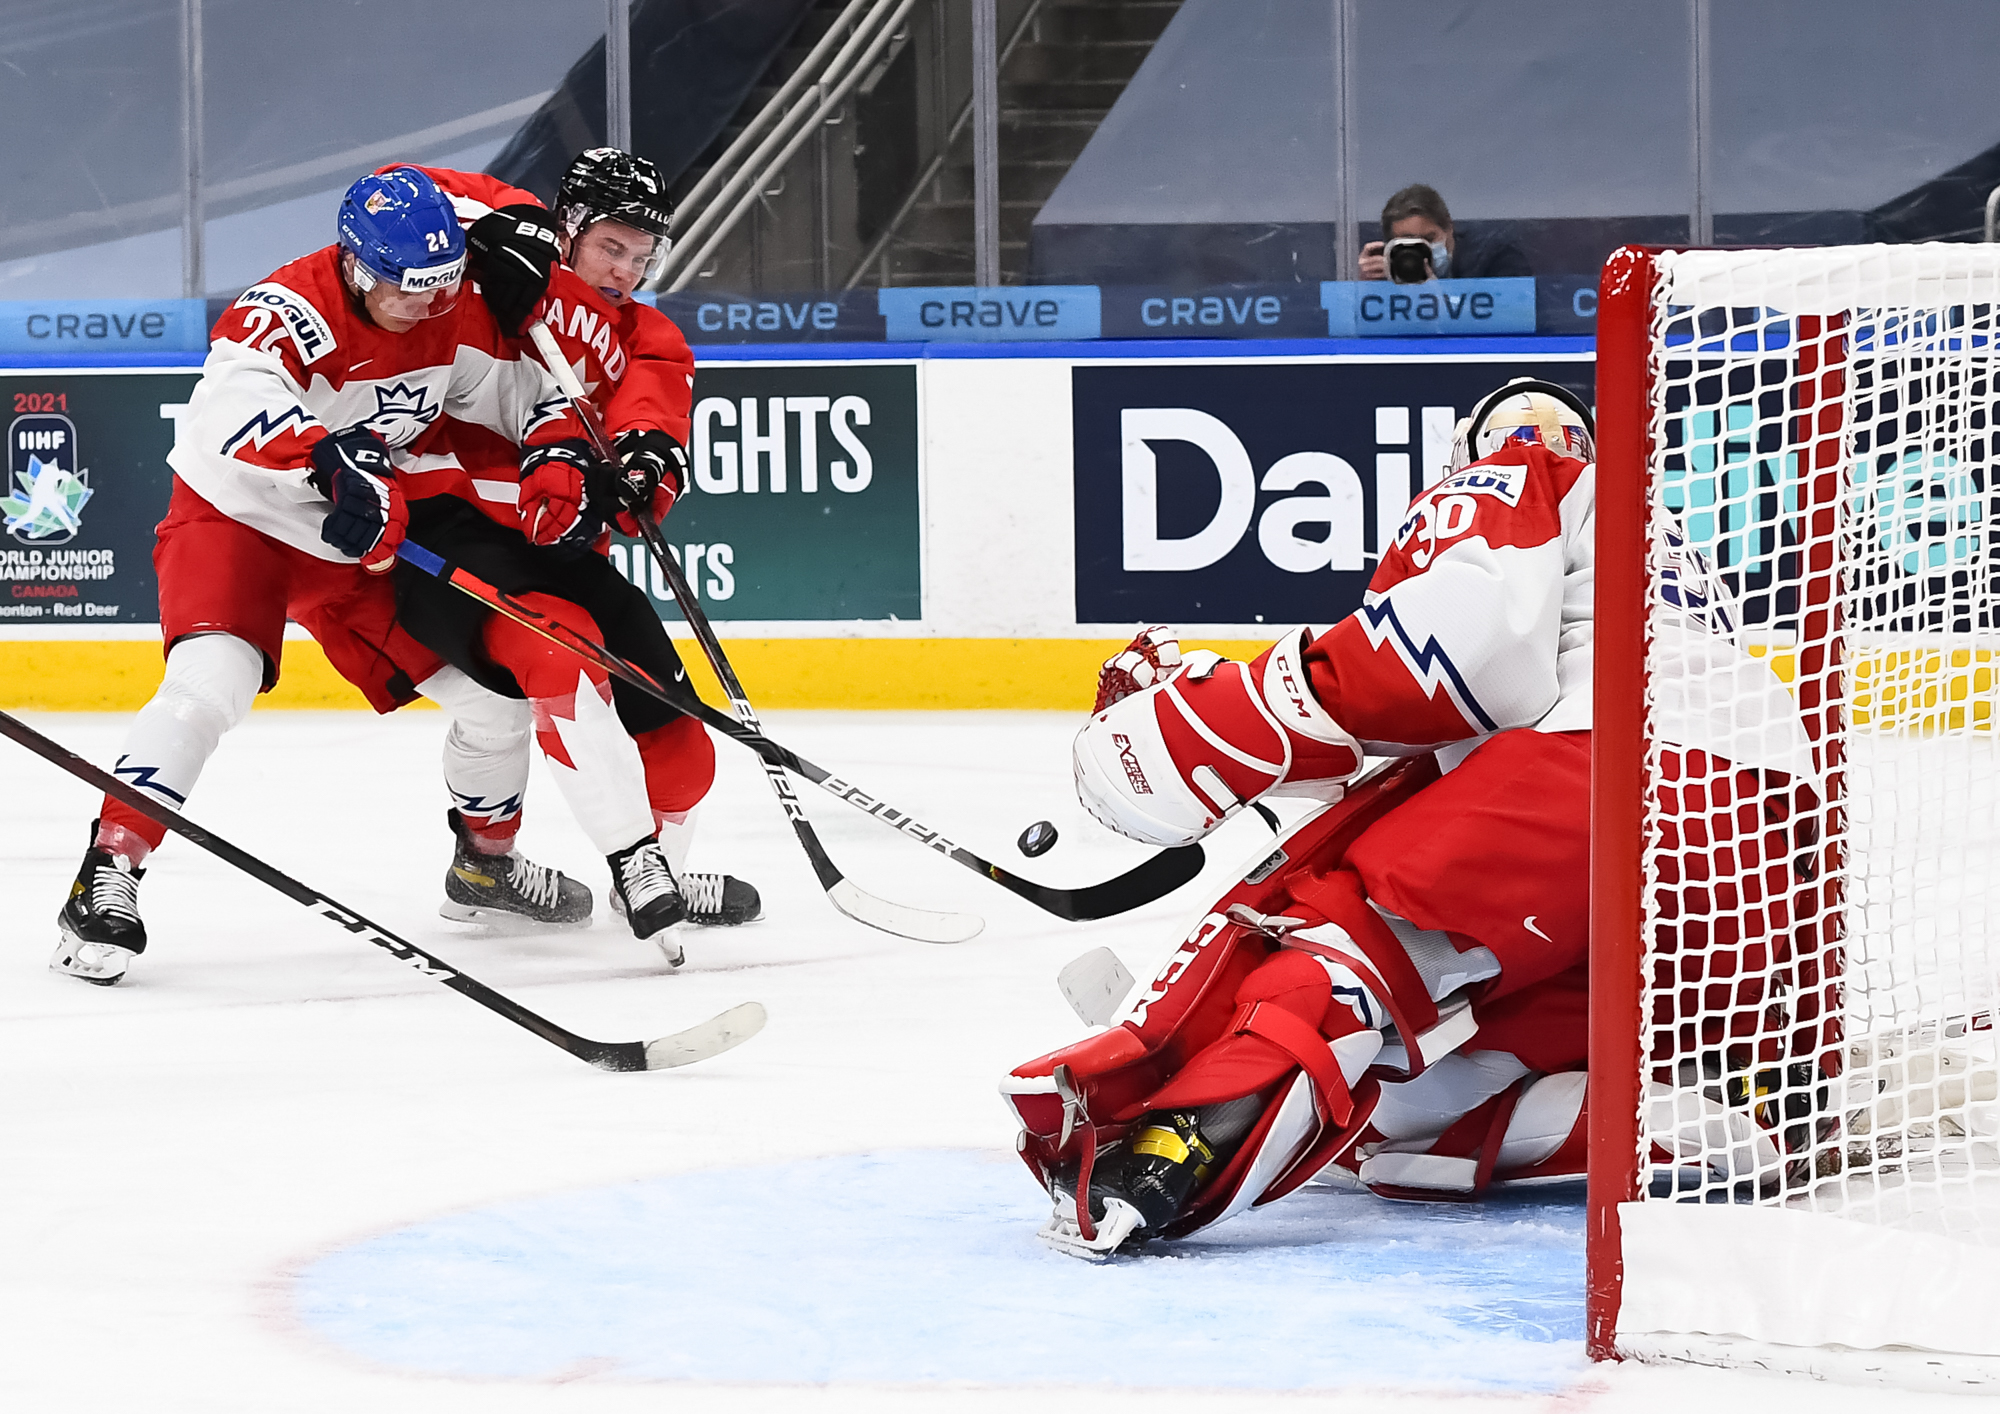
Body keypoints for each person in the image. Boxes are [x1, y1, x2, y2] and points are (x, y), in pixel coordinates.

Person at [998, 380, 1822, 1257]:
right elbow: (1456, 754)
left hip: (1612, 779)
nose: (1534, 439)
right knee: (1402, 1117)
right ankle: (1705, 1102)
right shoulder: (1656, 548)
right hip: (1757, 863)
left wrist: (1223, 715)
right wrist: (1247, 724)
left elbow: (1465, 652)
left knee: (1354, 940)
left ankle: (1163, 1156)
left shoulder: (1523, 473)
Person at [51, 166, 596, 985]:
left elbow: (515, 393)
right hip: (237, 521)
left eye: (444, 287)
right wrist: (325, 459)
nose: (430, 306)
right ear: (355, 264)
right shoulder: (287, 310)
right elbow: (227, 408)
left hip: (356, 544)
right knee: (210, 686)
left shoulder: (442, 312)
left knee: (492, 697)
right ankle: (109, 871)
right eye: (409, 290)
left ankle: (485, 866)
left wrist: (557, 442)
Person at [385, 148, 760, 961]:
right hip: (447, 527)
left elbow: (650, 422)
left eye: (642, 256)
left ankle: (652, 876)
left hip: (546, 546)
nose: (625, 270)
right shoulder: (488, 278)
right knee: (566, 663)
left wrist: (641, 470)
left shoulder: (646, 336)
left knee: (686, 744)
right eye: (610, 248)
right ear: (568, 228)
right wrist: (502, 228)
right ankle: (626, 867)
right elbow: (399, 191)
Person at [1358, 183, 1531, 282]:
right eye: (1409, 243)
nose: (1422, 250)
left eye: (1428, 238)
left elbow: (1515, 319)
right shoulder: (1389, 273)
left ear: (1449, 227)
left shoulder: (1495, 258)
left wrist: (1439, 301)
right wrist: (1366, 290)